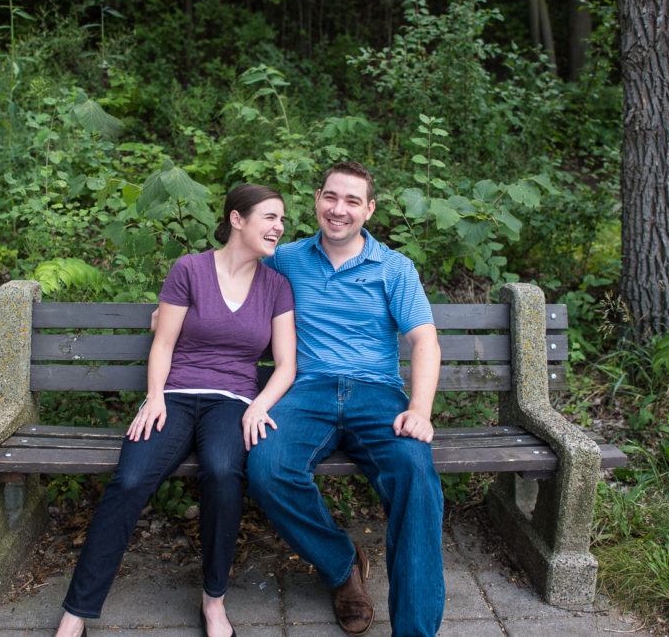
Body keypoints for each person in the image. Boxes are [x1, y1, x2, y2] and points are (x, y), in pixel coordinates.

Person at [55, 184, 297, 637]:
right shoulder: (189, 269)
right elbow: (163, 342)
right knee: (129, 480)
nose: (279, 227)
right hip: (177, 394)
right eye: (269, 217)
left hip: (234, 401)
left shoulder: (276, 286)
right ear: (237, 219)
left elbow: (286, 365)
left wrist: (259, 406)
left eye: (282, 219)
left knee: (225, 475)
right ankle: (78, 609)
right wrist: (156, 395)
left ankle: (214, 600)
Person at [246, 161, 445, 637]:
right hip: (305, 390)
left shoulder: (394, 268)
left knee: (416, 476)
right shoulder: (285, 259)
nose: (339, 210)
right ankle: (341, 565)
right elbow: (225, 278)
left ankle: (415, 631)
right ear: (317, 198)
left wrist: (419, 410)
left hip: (377, 395)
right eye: (331, 197)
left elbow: (425, 342)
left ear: (369, 210)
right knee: (266, 468)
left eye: (352, 201)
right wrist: (172, 311)